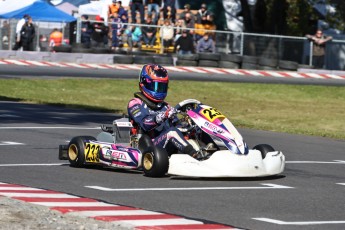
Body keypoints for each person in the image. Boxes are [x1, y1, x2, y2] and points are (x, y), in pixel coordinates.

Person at [127, 64, 201, 159]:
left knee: (197, 128)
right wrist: (162, 116)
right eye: (155, 86)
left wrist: (186, 125)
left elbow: (177, 126)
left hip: (166, 145)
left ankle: (212, 152)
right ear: (144, 84)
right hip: (148, 145)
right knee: (172, 133)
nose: (158, 90)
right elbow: (145, 123)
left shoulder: (165, 106)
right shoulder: (135, 103)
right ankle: (195, 156)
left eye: (162, 87)